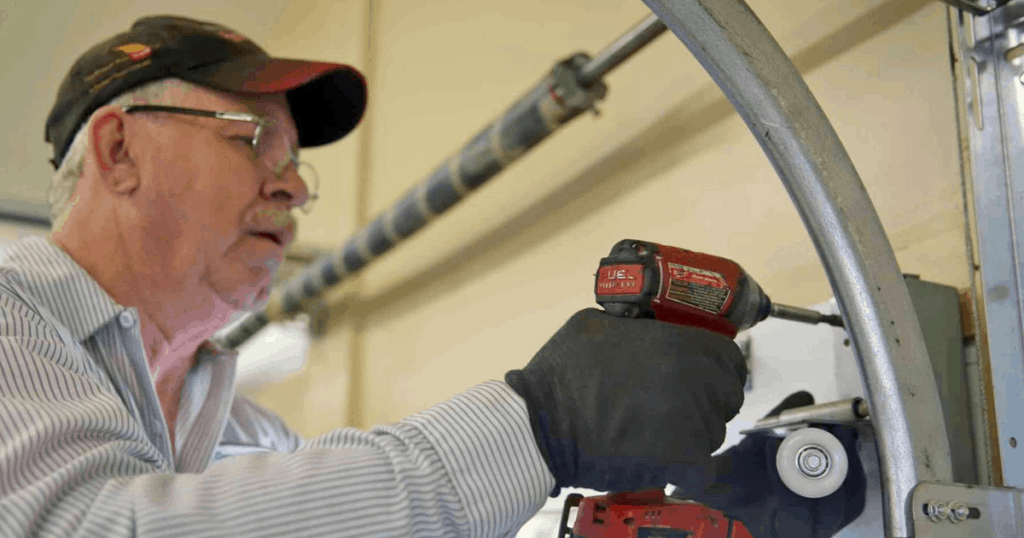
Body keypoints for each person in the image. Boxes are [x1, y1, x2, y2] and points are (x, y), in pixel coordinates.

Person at [0, 15, 860, 538]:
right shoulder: (9, 318)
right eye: (250, 137)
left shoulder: (247, 437)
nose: (293, 185)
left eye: (298, 162)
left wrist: (695, 508)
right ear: (118, 150)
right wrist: (539, 426)